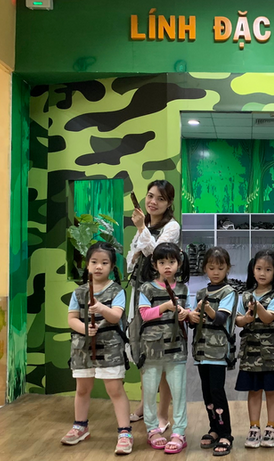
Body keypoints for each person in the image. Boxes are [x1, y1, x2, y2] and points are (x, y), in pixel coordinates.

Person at [61, 242, 133, 455]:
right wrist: (84, 329)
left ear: (112, 266)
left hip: (110, 347)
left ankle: (125, 432)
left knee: (115, 389)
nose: (99, 266)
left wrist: (101, 308)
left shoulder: (117, 290)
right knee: (82, 389)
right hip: (82, 348)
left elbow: (116, 316)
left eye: (104, 263)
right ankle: (80, 427)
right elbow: (71, 319)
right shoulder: (79, 292)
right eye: (94, 262)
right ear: (87, 265)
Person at [126, 180, 179, 425]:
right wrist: (140, 238)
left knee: (163, 354)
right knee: (142, 350)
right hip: (140, 291)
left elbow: (156, 255)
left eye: (160, 198)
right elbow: (131, 260)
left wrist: (140, 230)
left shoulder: (172, 227)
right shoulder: (145, 225)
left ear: (169, 203)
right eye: (150, 196)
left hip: (160, 294)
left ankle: (162, 413)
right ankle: (144, 404)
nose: (152, 202)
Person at [136, 242, 191, 454]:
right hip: (151, 350)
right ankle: (152, 429)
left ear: (179, 263)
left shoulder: (183, 288)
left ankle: (179, 432)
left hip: (176, 349)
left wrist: (185, 314)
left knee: (179, 393)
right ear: (154, 264)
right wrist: (166, 306)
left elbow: (186, 313)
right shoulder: (146, 288)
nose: (167, 266)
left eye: (171, 262)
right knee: (150, 393)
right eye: (162, 262)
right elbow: (145, 314)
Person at [235, 249, 274, 449]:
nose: (262, 273)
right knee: (254, 391)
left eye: (268, 269)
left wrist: (257, 308)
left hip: (271, 353)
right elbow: (238, 320)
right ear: (252, 269)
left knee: (272, 391)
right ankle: (254, 428)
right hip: (250, 352)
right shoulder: (246, 294)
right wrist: (246, 318)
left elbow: (268, 318)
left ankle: (272, 428)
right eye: (258, 268)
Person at [189, 247, 237, 456]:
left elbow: (220, 319)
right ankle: (214, 428)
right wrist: (191, 316)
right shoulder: (201, 293)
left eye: (220, 267)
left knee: (217, 391)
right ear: (204, 269)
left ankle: (226, 433)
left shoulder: (229, 292)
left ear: (227, 268)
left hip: (217, 352)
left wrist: (206, 309)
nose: (216, 272)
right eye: (211, 268)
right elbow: (193, 322)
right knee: (207, 392)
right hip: (201, 351)